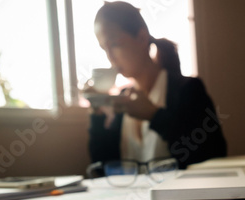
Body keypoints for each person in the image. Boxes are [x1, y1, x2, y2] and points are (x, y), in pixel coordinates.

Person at [88, 1, 227, 169]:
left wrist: (155, 116)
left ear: (141, 37)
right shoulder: (124, 99)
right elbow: (103, 165)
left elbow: (212, 154)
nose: (110, 56)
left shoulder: (188, 90)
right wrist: (97, 114)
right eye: (104, 48)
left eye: (115, 44)